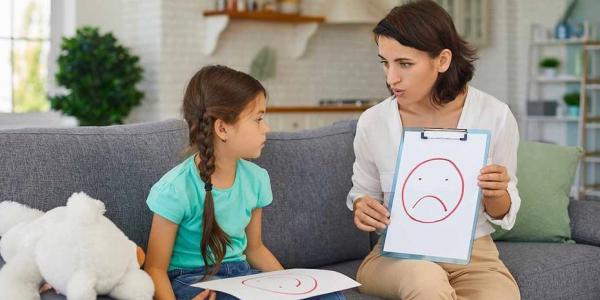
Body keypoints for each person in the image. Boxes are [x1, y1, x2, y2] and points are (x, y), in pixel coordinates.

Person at [347, 1, 521, 299]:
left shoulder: (494, 115)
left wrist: (496, 192)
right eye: (385, 63)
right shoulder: (374, 122)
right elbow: (363, 194)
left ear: (442, 60)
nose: (391, 78)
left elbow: (503, 213)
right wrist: (362, 207)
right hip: (397, 257)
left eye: (404, 64)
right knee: (425, 279)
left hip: (475, 257)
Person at [144, 65, 344, 300]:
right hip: (193, 280)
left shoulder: (257, 179)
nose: (266, 127)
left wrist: (294, 290)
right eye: (258, 119)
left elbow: (254, 248)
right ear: (222, 128)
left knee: (331, 297)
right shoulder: (175, 189)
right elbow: (155, 268)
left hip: (242, 275)